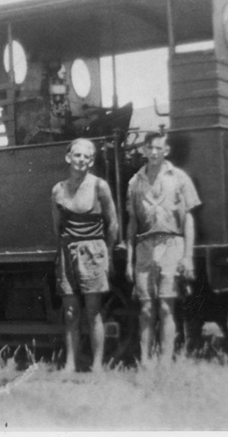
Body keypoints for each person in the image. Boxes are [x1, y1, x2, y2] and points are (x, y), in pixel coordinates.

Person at [125, 131, 200, 365]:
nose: (154, 152)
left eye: (159, 148)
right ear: (144, 151)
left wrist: (187, 257)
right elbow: (132, 224)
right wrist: (129, 261)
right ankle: (146, 361)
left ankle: (166, 361)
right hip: (145, 246)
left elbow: (188, 219)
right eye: (150, 148)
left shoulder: (179, 178)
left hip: (171, 245)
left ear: (165, 150)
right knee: (146, 309)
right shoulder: (135, 182)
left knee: (167, 308)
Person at [51, 138, 119, 372]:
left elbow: (113, 224)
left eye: (86, 156)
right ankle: (70, 363)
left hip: (93, 252)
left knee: (93, 312)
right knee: (70, 313)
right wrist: (63, 252)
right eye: (77, 155)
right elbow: (56, 226)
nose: (81, 160)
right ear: (69, 158)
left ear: (91, 161)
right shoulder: (58, 190)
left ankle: (97, 365)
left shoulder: (100, 186)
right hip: (67, 251)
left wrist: (107, 254)